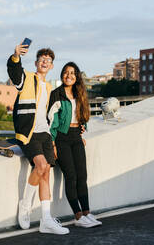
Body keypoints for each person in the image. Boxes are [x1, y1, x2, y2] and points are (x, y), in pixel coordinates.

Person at [7, 41, 69, 235]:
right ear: (36, 63)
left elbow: (51, 115)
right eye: (42, 59)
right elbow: (14, 72)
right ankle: (25, 205)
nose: (45, 62)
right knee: (40, 166)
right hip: (29, 132)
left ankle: (46, 220)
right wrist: (15, 56)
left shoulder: (50, 87)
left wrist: (52, 137)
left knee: (46, 172)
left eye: (48, 60)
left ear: (51, 66)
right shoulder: (27, 78)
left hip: (45, 133)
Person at [48, 62, 102, 228]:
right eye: (66, 72)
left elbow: (84, 116)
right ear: (62, 75)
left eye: (72, 73)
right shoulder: (56, 94)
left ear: (77, 76)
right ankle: (78, 217)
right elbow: (51, 120)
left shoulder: (80, 94)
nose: (68, 75)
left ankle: (87, 213)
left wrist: (82, 129)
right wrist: (53, 143)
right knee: (70, 177)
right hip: (61, 138)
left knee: (82, 176)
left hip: (76, 138)